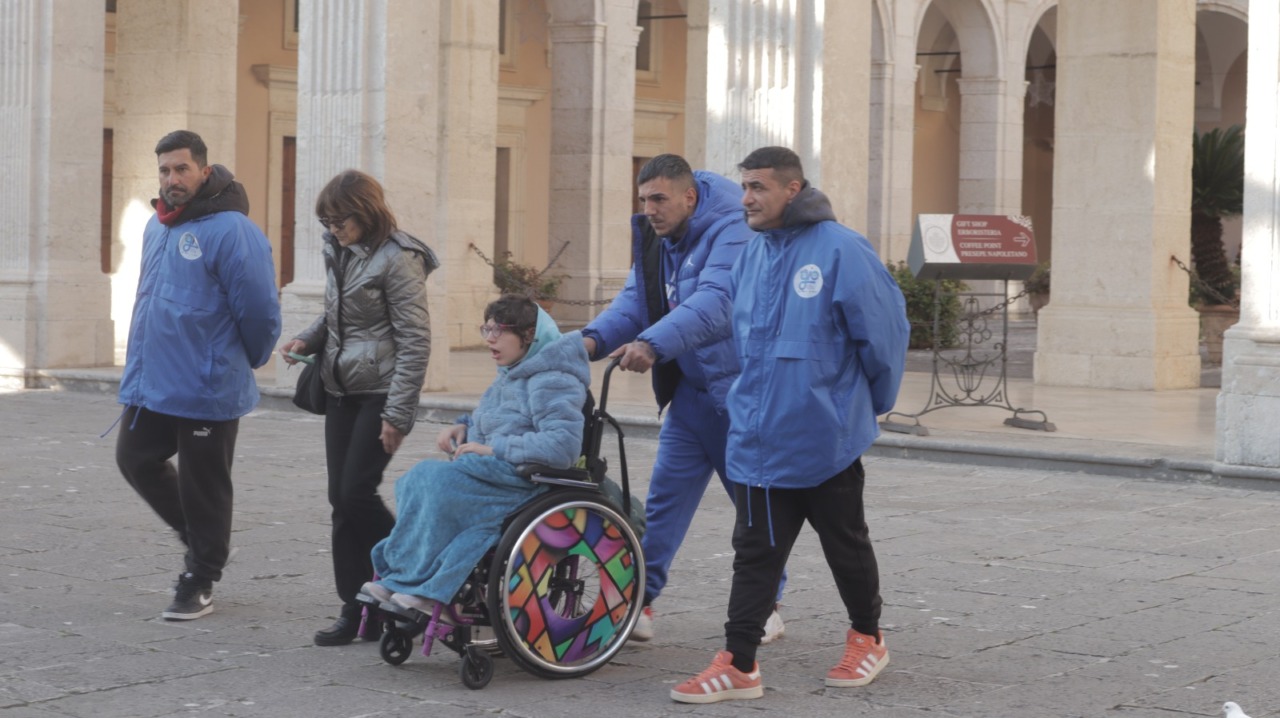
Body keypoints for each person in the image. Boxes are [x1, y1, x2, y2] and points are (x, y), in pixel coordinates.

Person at [671, 146, 910, 703]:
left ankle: (867, 637)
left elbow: (885, 333)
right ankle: (739, 662)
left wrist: (868, 403)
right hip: (758, 435)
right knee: (755, 551)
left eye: (758, 187)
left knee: (844, 544)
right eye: (744, 186)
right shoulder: (752, 255)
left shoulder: (842, 250)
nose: (746, 198)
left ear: (793, 190)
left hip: (825, 436)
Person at [581, 154, 785, 643]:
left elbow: (718, 301)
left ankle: (769, 604)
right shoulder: (658, 236)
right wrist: (584, 345)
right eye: (643, 200)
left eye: (659, 199)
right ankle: (640, 603)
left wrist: (653, 344)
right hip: (692, 397)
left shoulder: (732, 229)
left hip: (741, 398)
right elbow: (636, 301)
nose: (650, 209)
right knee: (664, 504)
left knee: (754, 512)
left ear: (689, 197)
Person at [115, 130, 281, 621]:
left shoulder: (233, 230)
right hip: (156, 379)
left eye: (181, 169)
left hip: (208, 383)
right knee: (135, 457)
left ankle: (201, 576)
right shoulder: (157, 226)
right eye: (165, 170)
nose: (172, 179)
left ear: (205, 171)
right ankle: (203, 539)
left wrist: (236, 360)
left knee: (203, 482)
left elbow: (260, 311)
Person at [279, 169, 437, 646]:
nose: (331, 229)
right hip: (340, 388)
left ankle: (414, 568)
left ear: (364, 212)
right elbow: (337, 311)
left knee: (355, 493)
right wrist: (309, 335)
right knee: (340, 502)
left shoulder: (399, 258)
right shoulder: (341, 251)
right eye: (325, 222)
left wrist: (397, 414)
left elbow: (415, 341)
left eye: (338, 220)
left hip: (381, 391)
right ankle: (358, 607)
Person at [358, 295, 590, 618]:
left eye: (499, 331)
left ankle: (422, 588)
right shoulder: (512, 369)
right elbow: (497, 417)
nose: (490, 339)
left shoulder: (553, 379)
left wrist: (494, 449)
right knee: (418, 481)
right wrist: (463, 427)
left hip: (521, 481)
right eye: (487, 329)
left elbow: (563, 446)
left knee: (433, 481)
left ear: (528, 336)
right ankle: (402, 579)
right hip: (490, 472)